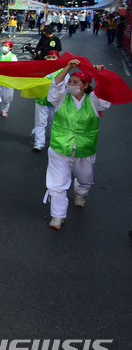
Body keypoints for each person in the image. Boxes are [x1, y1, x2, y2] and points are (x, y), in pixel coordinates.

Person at [44, 60, 110, 230]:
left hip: (84, 149)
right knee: (57, 184)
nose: (70, 84)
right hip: (60, 147)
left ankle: (80, 192)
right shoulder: (60, 98)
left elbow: (106, 95)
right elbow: (55, 86)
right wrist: (67, 68)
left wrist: (100, 75)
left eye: (75, 82)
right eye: (69, 81)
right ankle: (58, 216)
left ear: (85, 85)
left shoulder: (94, 100)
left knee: (85, 178)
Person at [30, 50, 61, 152]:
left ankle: (54, 142)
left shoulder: (62, 72)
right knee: (40, 123)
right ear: (45, 58)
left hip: (55, 103)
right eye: (49, 57)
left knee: (55, 123)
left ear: (58, 59)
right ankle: (39, 143)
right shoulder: (41, 69)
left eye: (54, 57)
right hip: (41, 100)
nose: (51, 59)